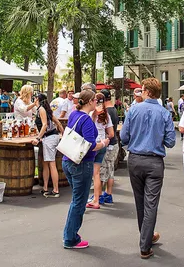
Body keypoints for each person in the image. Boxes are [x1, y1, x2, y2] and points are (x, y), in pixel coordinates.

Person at [120, 78, 176, 259]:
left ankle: (146, 237)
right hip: (154, 161)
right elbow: (171, 141)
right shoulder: (164, 113)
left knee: (140, 201)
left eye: (142, 89)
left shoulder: (133, 110)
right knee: (151, 204)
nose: (140, 92)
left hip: (135, 159)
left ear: (147, 92)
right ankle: (145, 242)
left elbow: (124, 137)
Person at [61, 89, 110, 250]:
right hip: (81, 164)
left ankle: (70, 235)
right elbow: (91, 145)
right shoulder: (86, 120)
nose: (97, 102)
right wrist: (103, 143)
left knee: (77, 199)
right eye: (95, 100)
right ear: (90, 102)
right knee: (79, 202)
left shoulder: (75, 115)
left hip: (68, 160)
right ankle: (70, 238)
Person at [33, 93, 64, 197]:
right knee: (45, 163)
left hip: (49, 138)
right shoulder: (47, 110)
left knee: (51, 163)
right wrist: (63, 134)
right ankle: (45, 188)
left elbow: (45, 125)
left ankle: (56, 190)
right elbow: (58, 123)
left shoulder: (41, 109)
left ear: (37, 99)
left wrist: (38, 138)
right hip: (53, 137)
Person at [86, 93, 114, 209]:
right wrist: (105, 139)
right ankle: (96, 199)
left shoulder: (91, 114)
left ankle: (86, 198)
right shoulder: (106, 115)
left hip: (93, 145)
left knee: (88, 173)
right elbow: (111, 134)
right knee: (96, 173)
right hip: (103, 144)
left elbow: (88, 127)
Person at [98, 89, 120, 205]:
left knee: (102, 171)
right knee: (110, 170)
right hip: (114, 143)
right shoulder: (114, 109)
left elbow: (109, 132)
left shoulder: (106, 111)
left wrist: (103, 139)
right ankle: (108, 194)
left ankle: (99, 195)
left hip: (108, 144)